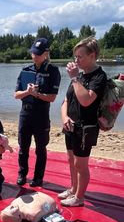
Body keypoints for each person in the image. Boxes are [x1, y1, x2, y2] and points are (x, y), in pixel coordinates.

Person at [60, 37, 107, 207]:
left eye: (80, 57)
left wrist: (74, 79)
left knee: (81, 164)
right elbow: (65, 100)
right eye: (75, 57)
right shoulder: (80, 76)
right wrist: (65, 118)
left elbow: (86, 100)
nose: (76, 60)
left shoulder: (99, 77)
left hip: (85, 128)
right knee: (71, 160)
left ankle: (79, 198)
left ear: (92, 55)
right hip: (70, 126)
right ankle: (73, 189)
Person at [14, 38, 61, 187]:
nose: (34, 56)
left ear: (46, 53)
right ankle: (22, 174)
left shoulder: (53, 71)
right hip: (25, 114)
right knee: (23, 147)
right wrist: (27, 92)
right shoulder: (25, 70)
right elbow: (16, 95)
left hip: (41, 115)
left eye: (38, 54)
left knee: (41, 148)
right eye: (33, 53)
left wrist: (37, 94)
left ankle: (38, 177)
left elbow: (52, 98)